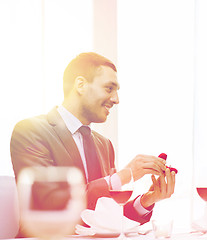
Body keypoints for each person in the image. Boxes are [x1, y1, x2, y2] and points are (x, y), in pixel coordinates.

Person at [10, 52, 176, 231]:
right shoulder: (31, 130)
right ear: (80, 85)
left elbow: (103, 217)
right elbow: (51, 202)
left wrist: (147, 200)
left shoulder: (104, 145)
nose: (116, 99)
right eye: (109, 88)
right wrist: (125, 175)